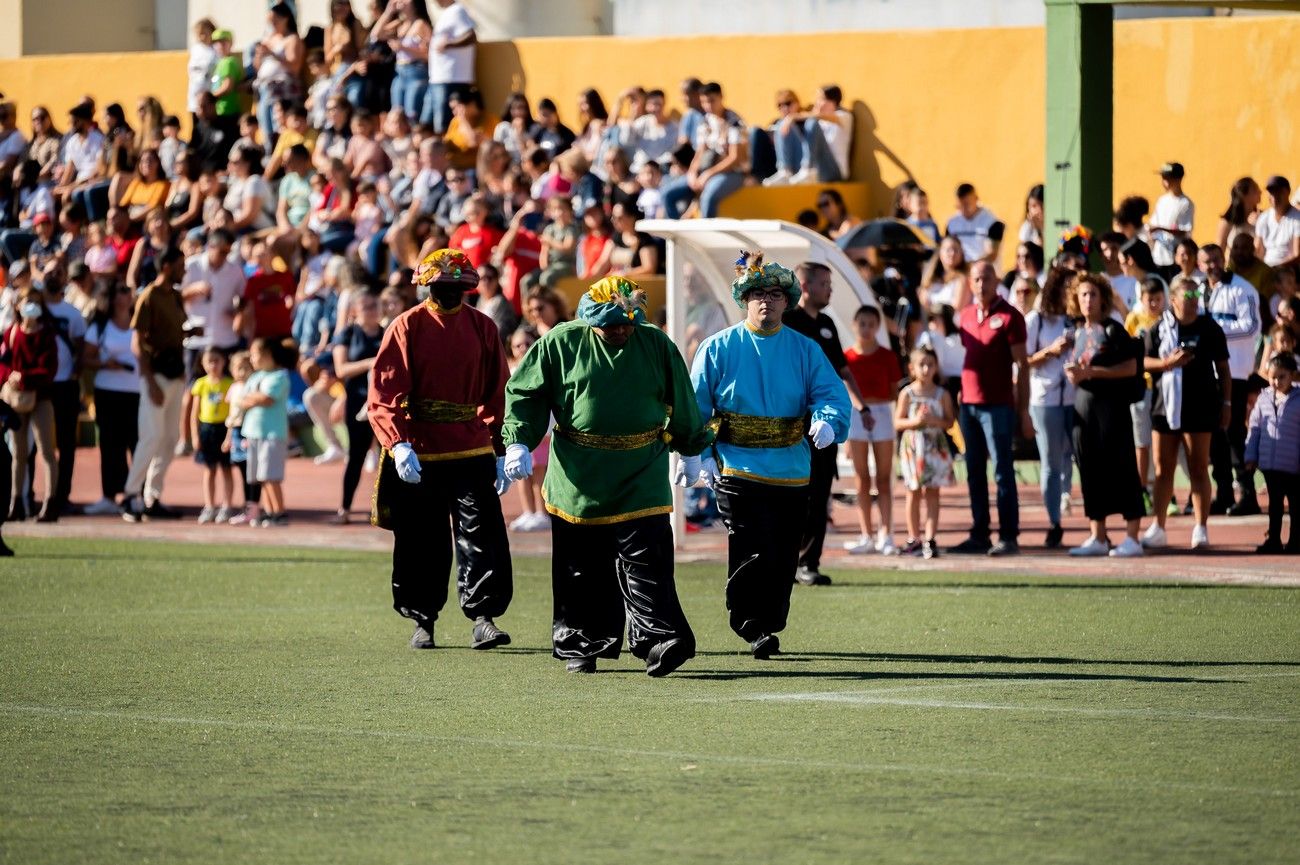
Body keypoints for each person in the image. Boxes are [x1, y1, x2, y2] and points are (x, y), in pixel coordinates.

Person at [503, 275, 709, 675]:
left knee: (649, 559)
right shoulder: (559, 342)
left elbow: (680, 395)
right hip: (579, 474)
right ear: (591, 319)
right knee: (581, 565)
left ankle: (660, 640)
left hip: (642, 469)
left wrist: (691, 448)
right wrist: (517, 441)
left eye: (627, 323)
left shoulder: (656, 344)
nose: (620, 330)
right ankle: (580, 644)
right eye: (611, 324)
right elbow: (525, 392)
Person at [687, 252, 850, 657]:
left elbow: (832, 394)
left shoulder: (805, 349)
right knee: (749, 544)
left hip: (791, 468)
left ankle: (769, 621)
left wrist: (828, 420)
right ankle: (751, 623)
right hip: (737, 466)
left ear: (787, 301)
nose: (766, 301)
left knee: (782, 554)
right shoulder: (717, 347)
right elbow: (696, 405)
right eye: (758, 293)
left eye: (775, 294)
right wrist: (698, 452)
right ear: (745, 298)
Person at [368, 248, 513, 652]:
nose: (449, 294)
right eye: (441, 287)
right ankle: (423, 620)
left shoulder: (483, 327)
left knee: (481, 533)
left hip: (470, 447)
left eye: (456, 287)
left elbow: (498, 391)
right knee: (421, 539)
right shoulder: (406, 326)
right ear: (429, 287)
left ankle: (483, 618)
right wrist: (397, 444)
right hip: (420, 448)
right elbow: (384, 393)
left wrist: (499, 446)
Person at [781, 261, 866, 585]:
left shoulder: (828, 323)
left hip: (824, 426)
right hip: (791, 426)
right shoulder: (787, 322)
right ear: (805, 286)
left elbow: (842, 372)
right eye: (824, 284)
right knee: (790, 497)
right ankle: (784, 562)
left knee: (819, 496)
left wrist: (862, 406)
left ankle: (809, 564)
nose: (829, 289)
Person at [1142, 275, 1231, 551]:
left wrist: (1226, 404)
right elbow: (1144, 361)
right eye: (1188, 296)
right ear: (1175, 299)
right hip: (1165, 408)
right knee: (1162, 468)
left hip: (1200, 406)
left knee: (1198, 467)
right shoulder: (1159, 328)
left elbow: (1224, 371)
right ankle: (1158, 526)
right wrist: (1168, 363)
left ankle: (1200, 528)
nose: (1193, 302)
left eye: (1197, 296)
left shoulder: (1210, 328)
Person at [951, 261, 1032, 556]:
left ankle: (1008, 536)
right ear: (970, 283)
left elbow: (1022, 366)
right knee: (973, 471)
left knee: (1001, 471)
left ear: (996, 280)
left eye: (986, 278)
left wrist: (1023, 411)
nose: (981, 284)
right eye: (976, 279)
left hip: (998, 406)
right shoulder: (967, 316)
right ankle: (979, 533)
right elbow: (968, 356)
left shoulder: (1011, 316)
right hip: (969, 405)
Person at [1061, 274, 1145, 557]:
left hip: (1112, 408)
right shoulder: (1077, 332)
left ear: (1103, 299)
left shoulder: (1113, 329)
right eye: (1083, 295)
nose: (1087, 300)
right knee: (1090, 470)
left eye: (1093, 295)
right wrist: (1075, 373)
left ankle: (1132, 536)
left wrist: (1092, 372)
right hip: (1083, 408)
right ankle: (1098, 536)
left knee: (1122, 467)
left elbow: (1131, 368)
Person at [121, 248, 188, 522]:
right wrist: (148, 380)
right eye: (181, 265)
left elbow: (174, 331)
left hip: (175, 373)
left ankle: (152, 497)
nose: (185, 270)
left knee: (170, 439)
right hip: (156, 375)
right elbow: (137, 342)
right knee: (150, 437)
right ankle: (129, 495)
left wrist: (190, 332)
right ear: (168, 267)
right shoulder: (149, 295)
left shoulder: (175, 296)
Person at [1024, 266, 1076, 548]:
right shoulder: (1036, 320)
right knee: (1051, 462)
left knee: (1079, 456)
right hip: (1045, 398)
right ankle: (1054, 521)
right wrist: (1050, 352)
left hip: (1074, 394)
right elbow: (1023, 360)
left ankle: (1095, 523)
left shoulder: (1075, 319)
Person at [841, 305, 900, 556]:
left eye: (871, 324)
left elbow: (894, 389)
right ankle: (866, 534)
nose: (866, 329)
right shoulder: (847, 357)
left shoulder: (887, 356)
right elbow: (844, 392)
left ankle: (886, 533)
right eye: (861, 323)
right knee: (861, 479)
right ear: (854, 325)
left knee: (884, 478)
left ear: (877, 327)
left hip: (882, 412)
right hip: (856, 414)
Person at [82, 283, 140, 516]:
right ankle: (109, 495)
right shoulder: (100, 326)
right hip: (107, 391)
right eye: (121, 292)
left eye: (128, 292)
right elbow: (86, 359)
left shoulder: (140, 323)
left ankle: (134, 495)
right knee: (110, 445)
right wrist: (106, 363)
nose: (125, 297)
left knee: (136, 444)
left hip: (136, 392)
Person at [1, 293, 58, 522]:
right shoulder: (12, 333)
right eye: (27, 302)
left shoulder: (46, 335)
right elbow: (3, 365)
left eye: (35, 302)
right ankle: (15, 503)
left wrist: (24, 377)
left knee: (46, 451)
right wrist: (10, 377)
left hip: (41, 397)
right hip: (16, 399)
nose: (31, 307)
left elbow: (49, 370)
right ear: (18, 306)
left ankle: (50, 503)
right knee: (18, 452)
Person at [895, 346, 954, 558]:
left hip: (934, 447)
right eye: (922, 364)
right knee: (912, 492)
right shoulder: (907, 393)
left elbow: (949, 421)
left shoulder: (942, 394)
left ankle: (930, 537)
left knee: (932, 492)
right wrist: (915, 422)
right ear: (912, 368)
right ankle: (914, 537)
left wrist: (933, 421)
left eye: (930, 364)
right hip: (913, 447)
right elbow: (897, 421)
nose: (926, 369)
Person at [330, 291, 384, 524]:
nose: (372, 309)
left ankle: (388, 508)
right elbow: (341, 370)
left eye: (375, 304)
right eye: (366, 306)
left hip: (384, 404)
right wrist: (370, 363)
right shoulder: (348, 334)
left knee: (388, 457)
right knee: (356, 456)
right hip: (358, 401)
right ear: (355, 311)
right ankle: (345, 508)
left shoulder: (387, 332)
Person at [39, 261, 86, 519]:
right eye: (50, 271)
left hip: (65, 383)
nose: (54, 276)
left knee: (66, 444)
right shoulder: (34, 307)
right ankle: (28, 495)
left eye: (59, 272)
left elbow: (80, 345)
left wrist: (76, 370)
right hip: (39, 385)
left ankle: (61, 496)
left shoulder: (72, 313)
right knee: (36, 446)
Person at [661, 82, 747, 219]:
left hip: (732, 173)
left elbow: (734, 158)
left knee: (708, 197)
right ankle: (679, 238)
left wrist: (708, 174)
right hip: (707, 171)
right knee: (667, 194)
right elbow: (700, 151)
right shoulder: (706, 121)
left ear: (721, 97)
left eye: (712, 101)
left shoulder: (734, 122)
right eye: (704, 102)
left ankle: (708, 238)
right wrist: (692, 173)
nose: (708, 106)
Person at [1245, 352, 1300, 553]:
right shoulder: (1264, 398)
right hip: (1271, 466)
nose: (1276, 381)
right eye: (1272, 377)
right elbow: (1255, 427)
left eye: (1281, 377)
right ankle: (1274, 539)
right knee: (1275, 505)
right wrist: (1251, 456)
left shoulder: (1298, 399)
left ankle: (1295, 541)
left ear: (1292, 375)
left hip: (1293, 466)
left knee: (1296, 506)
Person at [240, 337, 295, 527]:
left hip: (272, 434)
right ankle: (270, 511)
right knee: (262, 477)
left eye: (255, 354)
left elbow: (267, 399)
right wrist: (253, 398)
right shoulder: (255, 377)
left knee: (271, 476)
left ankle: (279, 512)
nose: (252, 358)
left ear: (268, 355)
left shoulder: (279, 376)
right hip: (254, 433)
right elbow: (243, 399)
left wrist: (252, 398)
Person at [1125, 274, 1168, 511]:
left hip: (1163, 390)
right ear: (1141, 299)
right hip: (1141, 388)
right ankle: (1142, 490)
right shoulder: (1134, 320)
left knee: (1163, 443)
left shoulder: (1169, 320)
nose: (1153, 304)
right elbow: (1128, 351)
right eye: (1148, 299)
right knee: (1141, 443)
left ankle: (1165, 492)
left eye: (1157, 299)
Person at [190, 347, 234, 523]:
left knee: (226, 469)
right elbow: (194, 413)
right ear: (203, 363)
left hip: (224, 428)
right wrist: (194, 436)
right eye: (210, 361)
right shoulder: (201, 384)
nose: (214, 365)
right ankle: (209, 506)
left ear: (224, 362)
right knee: (209, 469)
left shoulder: (229, 383)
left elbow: (233, 411)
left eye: (217, 361)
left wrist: (230, 436)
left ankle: (227, 506)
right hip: (207, 429)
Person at [424, 0, 477, 133]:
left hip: (451, 79)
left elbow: (470, 36)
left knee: (443, 126)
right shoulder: (448, 13)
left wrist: (448, 44)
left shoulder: (457, 10)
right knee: (428, 125)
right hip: (439, 79)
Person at [1149, 162, 1194, 269]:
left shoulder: (1185, 203)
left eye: (1168, 178)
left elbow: (1184, 230)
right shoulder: (1162, 200)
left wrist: (1161, 229)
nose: (1164, 182)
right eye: (1163, 178)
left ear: (1178, 179)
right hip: (1158, 255)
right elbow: (1153, 224)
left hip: (1174, 256)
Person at [945, 183, 1004, 265]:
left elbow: (992, 255)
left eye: (967, 204)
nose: (964, 208)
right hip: (958, 276)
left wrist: (968, 268)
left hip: (985, 275)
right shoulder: (952, 224)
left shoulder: (991, 222)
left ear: (976, 199)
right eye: (960, 205)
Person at [1255, 175, 1300, 270]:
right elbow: (1258, 251)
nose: (1274, 196)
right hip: (1266, 271)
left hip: (1289, 271)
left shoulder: (1297, 218)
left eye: (1279, 192)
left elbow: (1297, 254)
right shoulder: (1263, 219)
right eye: (1271, 192)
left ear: (1288, 192)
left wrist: (1277, 268)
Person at [1216, 177, 1261, 249]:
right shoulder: (1227, 222)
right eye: (1255, 189)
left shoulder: (1262, 218)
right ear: (1244, 195)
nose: (1260, 191)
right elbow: (1220, 250)